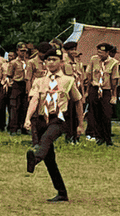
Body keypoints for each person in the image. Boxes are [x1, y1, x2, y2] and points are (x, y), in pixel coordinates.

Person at [24, 43, 81, 202]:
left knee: (47, 138)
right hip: (43, 118)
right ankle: (62, 192)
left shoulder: (68, 80)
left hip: (59, 118)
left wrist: (80, 124)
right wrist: (28, 118)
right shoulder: (39, 81)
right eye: (48, 60)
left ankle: (35, 158)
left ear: (61, 62)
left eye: (54, 59)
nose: (51, 63)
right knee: (50, 160)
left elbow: (78, 101)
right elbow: (34, 100)